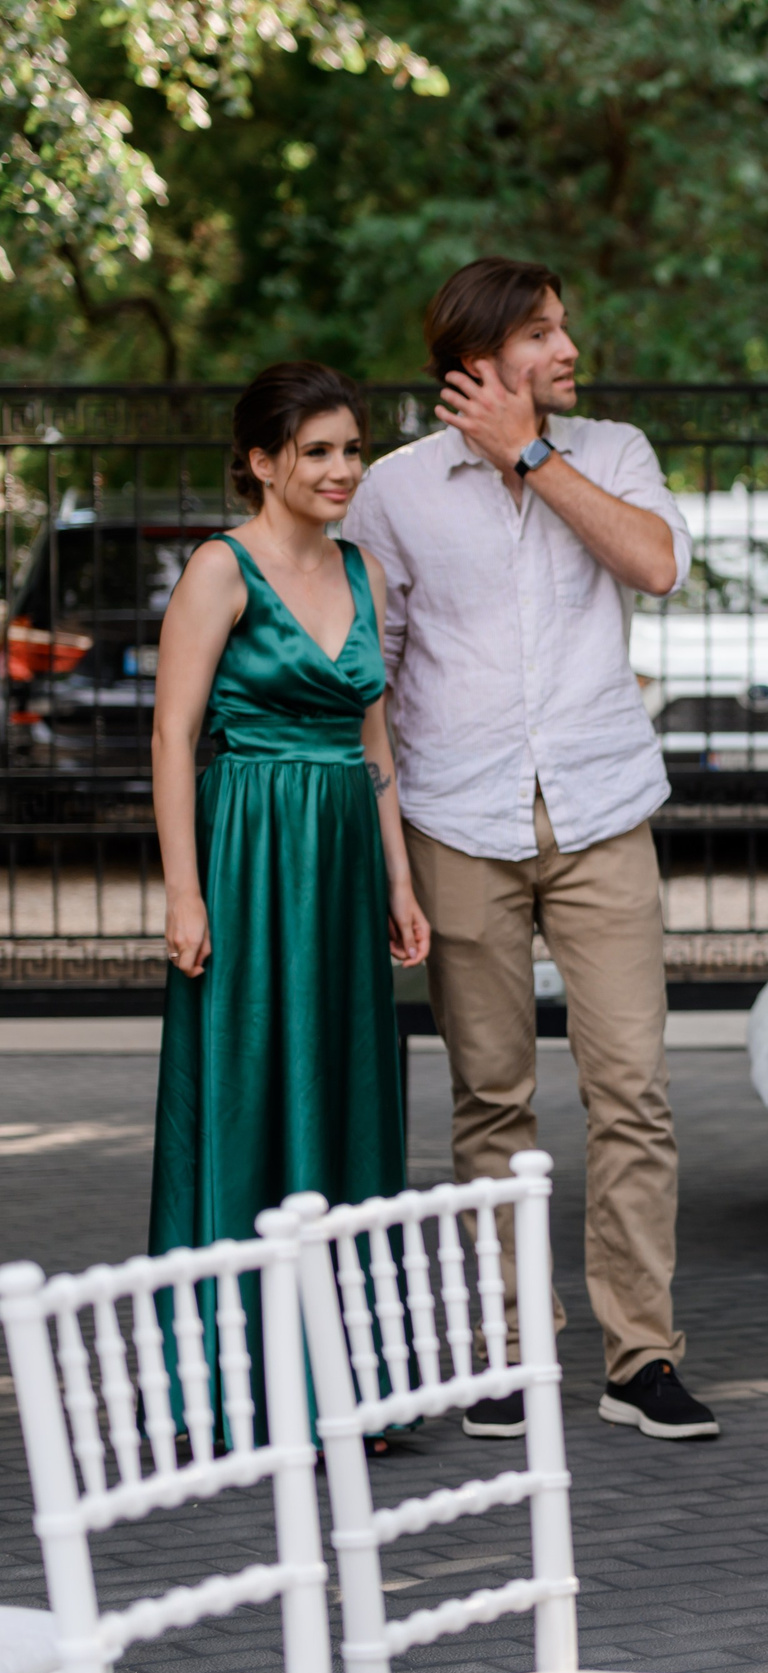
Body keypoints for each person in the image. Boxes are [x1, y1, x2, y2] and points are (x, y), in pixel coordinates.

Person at [342, 257, 717, 1443]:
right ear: (480, 356)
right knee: (490, 1099)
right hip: (456, 813)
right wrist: (392, 844)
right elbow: (375, 674)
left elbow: (656, 565)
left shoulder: (609, 452)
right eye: (543, 333)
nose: (568, 347)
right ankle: (506, 1349)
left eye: (562, 328)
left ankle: (640, 1357)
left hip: (601, 804)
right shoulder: (394, 490)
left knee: (633, 1094)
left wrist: (531, 454)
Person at [150, 361, 432, 1439]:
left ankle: (340, 1385)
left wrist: (400, 878)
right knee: (244, 1092)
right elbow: (174, 738)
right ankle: (223, 1384)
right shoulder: (220, 569)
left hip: (343, 862)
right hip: (245, 847)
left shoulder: (362, 569)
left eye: (352, 449)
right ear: (262, 461)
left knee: (345, 1094)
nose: (341, 469)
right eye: (317, 451)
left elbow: (374, 742)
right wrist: (185, 890)